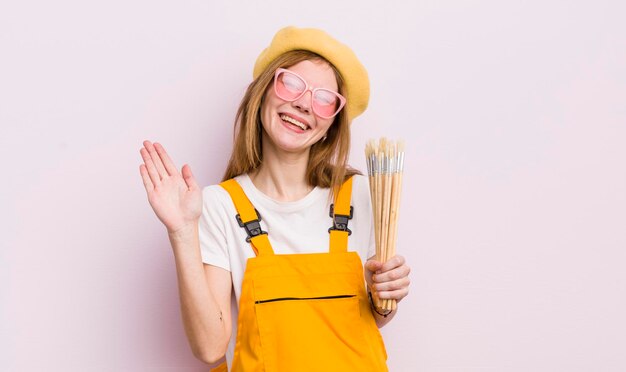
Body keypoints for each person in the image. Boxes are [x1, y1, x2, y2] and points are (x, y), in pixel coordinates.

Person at [139, 26, 411, 371]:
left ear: (332, 124)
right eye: (292, 84)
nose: (302, 103)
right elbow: (209, 348)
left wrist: (387, 296)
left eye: (325, 99)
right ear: (264, 90)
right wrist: (181, 232)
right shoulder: (218, 205)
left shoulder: (361, 194)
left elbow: (367, 320)